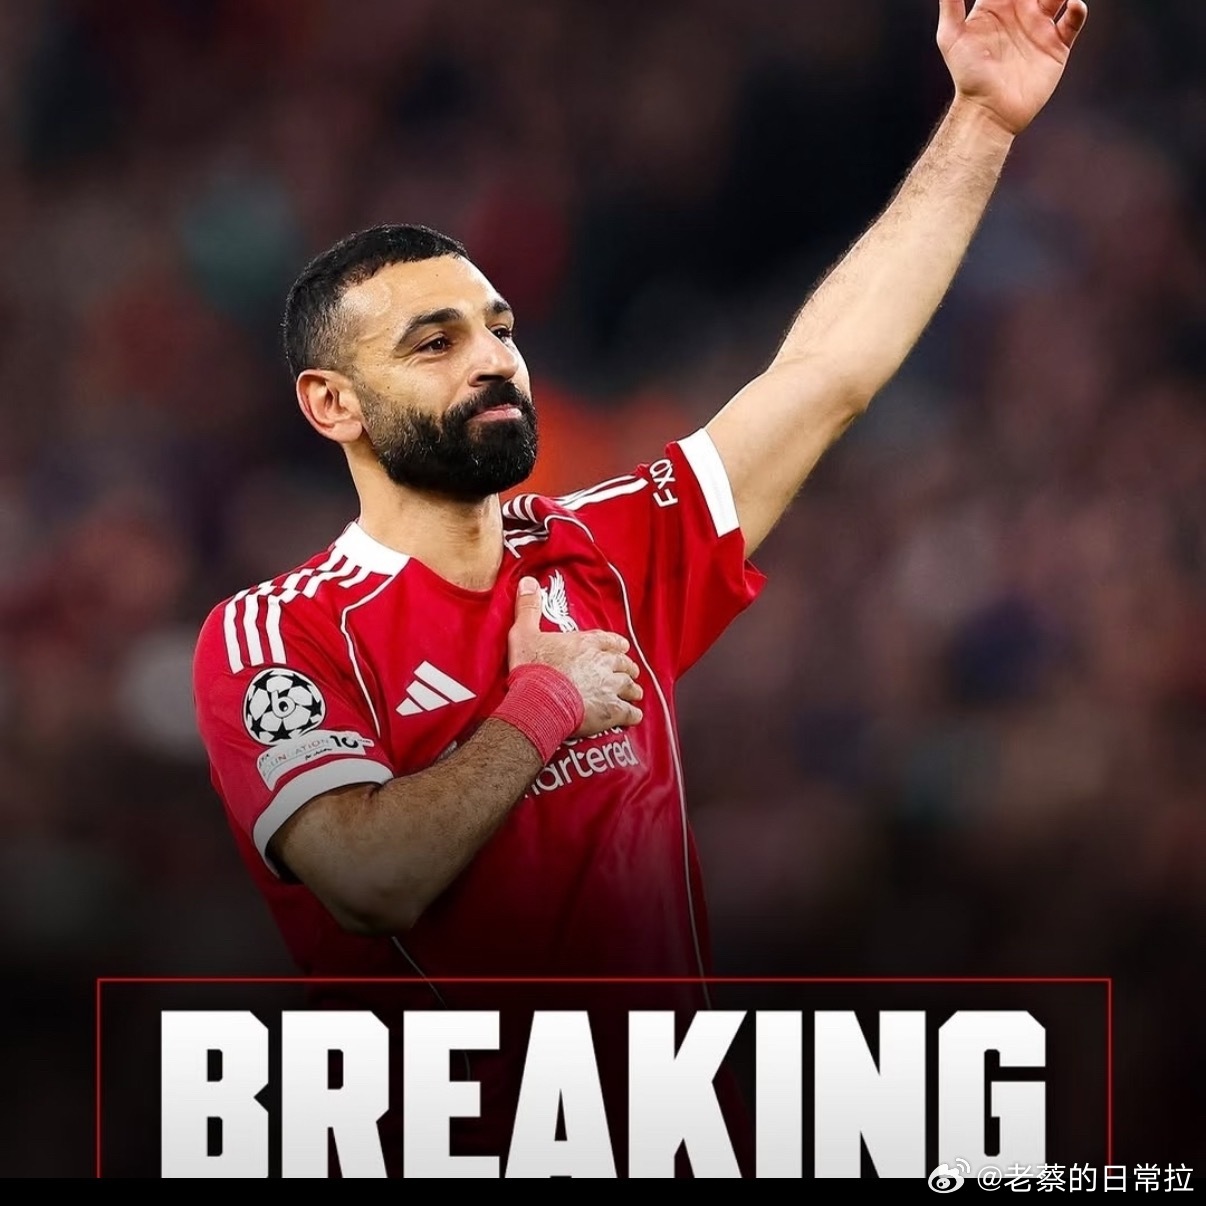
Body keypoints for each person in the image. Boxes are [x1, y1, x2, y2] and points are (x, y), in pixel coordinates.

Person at [192, 0, 1088, 1177]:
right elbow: (370, 880)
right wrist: (544, 702)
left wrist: (980, 120)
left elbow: (825, 375)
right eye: (434, 343)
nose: (492, 360)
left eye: (499, 328)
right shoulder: (279, 633)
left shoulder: (602, 548)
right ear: (332, 404)